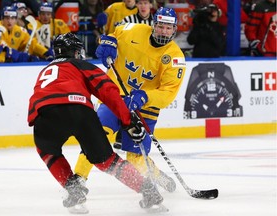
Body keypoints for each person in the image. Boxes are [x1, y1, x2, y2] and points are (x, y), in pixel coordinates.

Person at [27, 32, 163, 214]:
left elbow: (37, 101)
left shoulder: (44, 71)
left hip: (45, 114)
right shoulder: (80, 65)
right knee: (107, 161)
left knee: (47, 151)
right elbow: (108, 91)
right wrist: (128, 121)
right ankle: (148, 191)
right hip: (80, 111)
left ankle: (73, 188)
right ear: (75, 52)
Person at [74, 7, 186, 193]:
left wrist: (145, 96)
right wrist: (108, 43)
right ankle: (78, 178)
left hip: (145, 107)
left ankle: (157, 176)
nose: (163, 31)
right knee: (97, 136)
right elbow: (113, 34)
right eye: (160, 26)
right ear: (153, 25)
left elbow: (168, 93)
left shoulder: (175, 58)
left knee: (136, 156)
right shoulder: (133, 30)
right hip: (114, 96)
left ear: (174, 29)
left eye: (168, 28)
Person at [113, 0, 154, 149]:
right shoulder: (127, 21)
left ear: (151, 5)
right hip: (130, 64)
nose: (143, 6)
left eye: (146, 3)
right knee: (124, 98)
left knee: (139, 102)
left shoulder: (158, 23)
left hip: (148, 67)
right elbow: (115, 36)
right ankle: (121, 132)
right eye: (140, 3)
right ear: (136, 5)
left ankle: (134, 135)